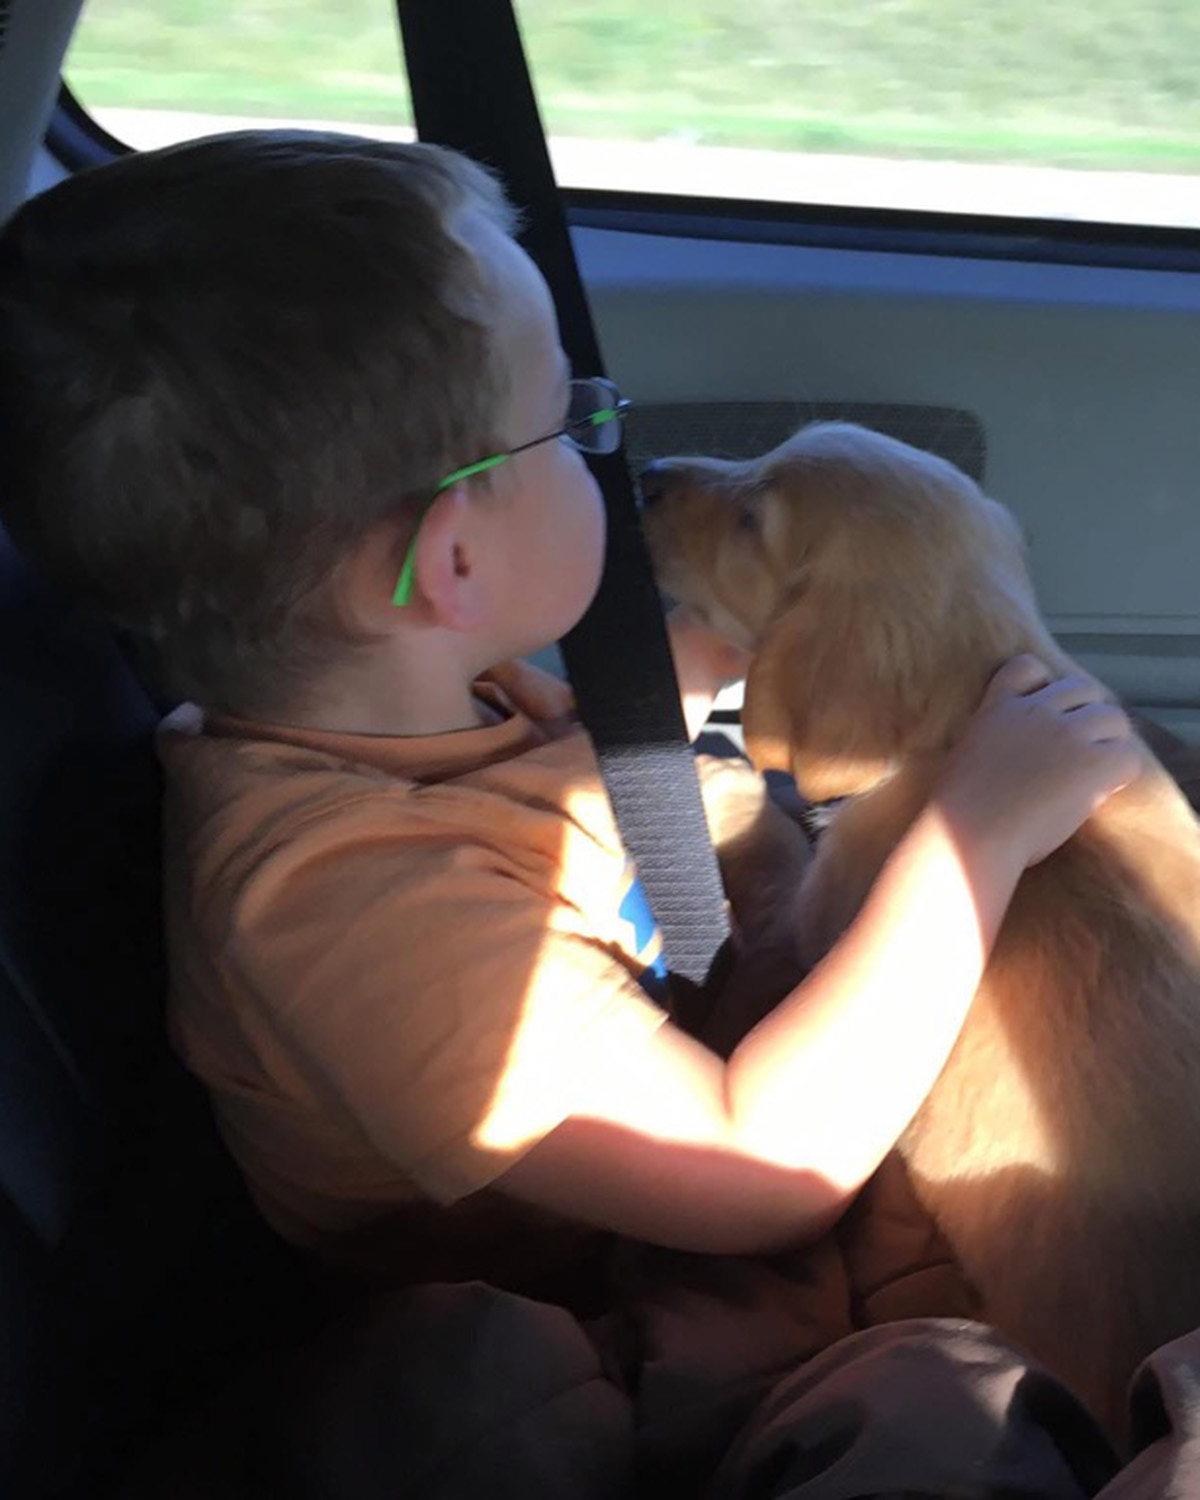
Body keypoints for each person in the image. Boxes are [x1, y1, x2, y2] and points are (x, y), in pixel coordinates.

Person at [0, 131, 1137, 1310]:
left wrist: (702, 665)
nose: (614, 444)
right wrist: (974, 840)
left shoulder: (425, 706)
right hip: (595, 1306)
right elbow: (761, 1170)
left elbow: (561, 795)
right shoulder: (354, 915)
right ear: (454, 562)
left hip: (703, 1097)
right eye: (571, 423)